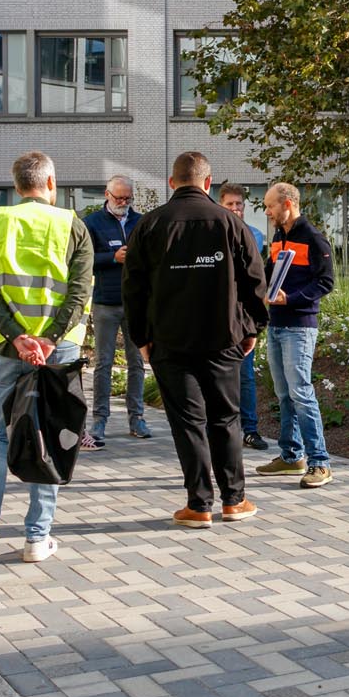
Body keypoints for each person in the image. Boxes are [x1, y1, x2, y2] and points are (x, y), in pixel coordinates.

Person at [123, 152, 269, 529]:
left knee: (188, 422)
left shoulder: (150, 225)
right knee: (226, 418)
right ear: (208, 183)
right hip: (223, 337)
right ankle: (234, 501)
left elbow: (133, 288)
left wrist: (141, 336)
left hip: (169, 340)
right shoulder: (230, 222)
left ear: (172, 183)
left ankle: (199, 504)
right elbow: (255, 281)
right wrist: (252, 327)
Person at [0, 154, 93, 564]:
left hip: (9, 347)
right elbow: (79, 291)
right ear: (50, 182)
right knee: (49, 437)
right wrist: (49, 339)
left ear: (17, 185)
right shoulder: (73, 224)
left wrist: (19, 337)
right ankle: (37, 538)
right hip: (59, 349)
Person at [256, 182, 337, 489]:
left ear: (287, 203)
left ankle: (320, 463)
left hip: (300, 327)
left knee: (301, 392)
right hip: (276, 325)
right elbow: (268, 273)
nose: (267, 211)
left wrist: (290, 299)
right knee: (284, 394)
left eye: (270, 206)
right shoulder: (279, 237)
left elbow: (326, 283)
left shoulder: (314, 239)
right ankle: (292, 457)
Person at [82, 174, 149, 444]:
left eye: (127, 198)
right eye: (118, 197)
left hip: (135, 303)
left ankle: (137, 418)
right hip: (105, 302)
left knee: (136, 363)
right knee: (104, 363)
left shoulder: (141, 221)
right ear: (106, 195)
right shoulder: (92, 223)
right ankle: (99, 420)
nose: (123, 202)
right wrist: (113, 257)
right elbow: (84, 259)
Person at [218, 183, 271, 452]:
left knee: (246, 376)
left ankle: (250, 430)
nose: (236, 209)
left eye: (239, 204)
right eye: (230, 204)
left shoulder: (256, 235)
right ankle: (220, 430)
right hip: (218, 315)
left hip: (244, 316)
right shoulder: (213, 233)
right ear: (220, 205)